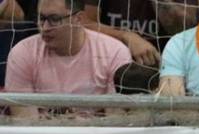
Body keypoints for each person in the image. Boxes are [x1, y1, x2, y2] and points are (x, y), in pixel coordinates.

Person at [4, 0, 132, 118]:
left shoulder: (115, 53)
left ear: (78, 19)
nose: (45, 27)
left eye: (54, 19)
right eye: (41, 18)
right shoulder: (22, 53)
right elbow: (26, 123)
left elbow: (116, 121)